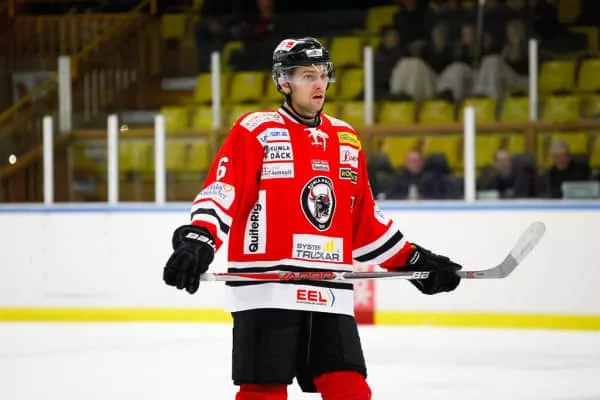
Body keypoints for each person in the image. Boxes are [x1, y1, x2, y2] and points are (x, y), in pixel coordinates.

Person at [162, 37, 463, 400]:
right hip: (268, 287)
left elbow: (364, 222)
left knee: (350, 389)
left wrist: (413, 260)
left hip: (328, 289)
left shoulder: (346, 139)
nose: (319, 84)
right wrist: (198, 239)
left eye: (323, 74)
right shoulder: (257, 130)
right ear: (284, 81)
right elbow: (224, 191)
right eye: (308, 76)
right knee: (263, 392)